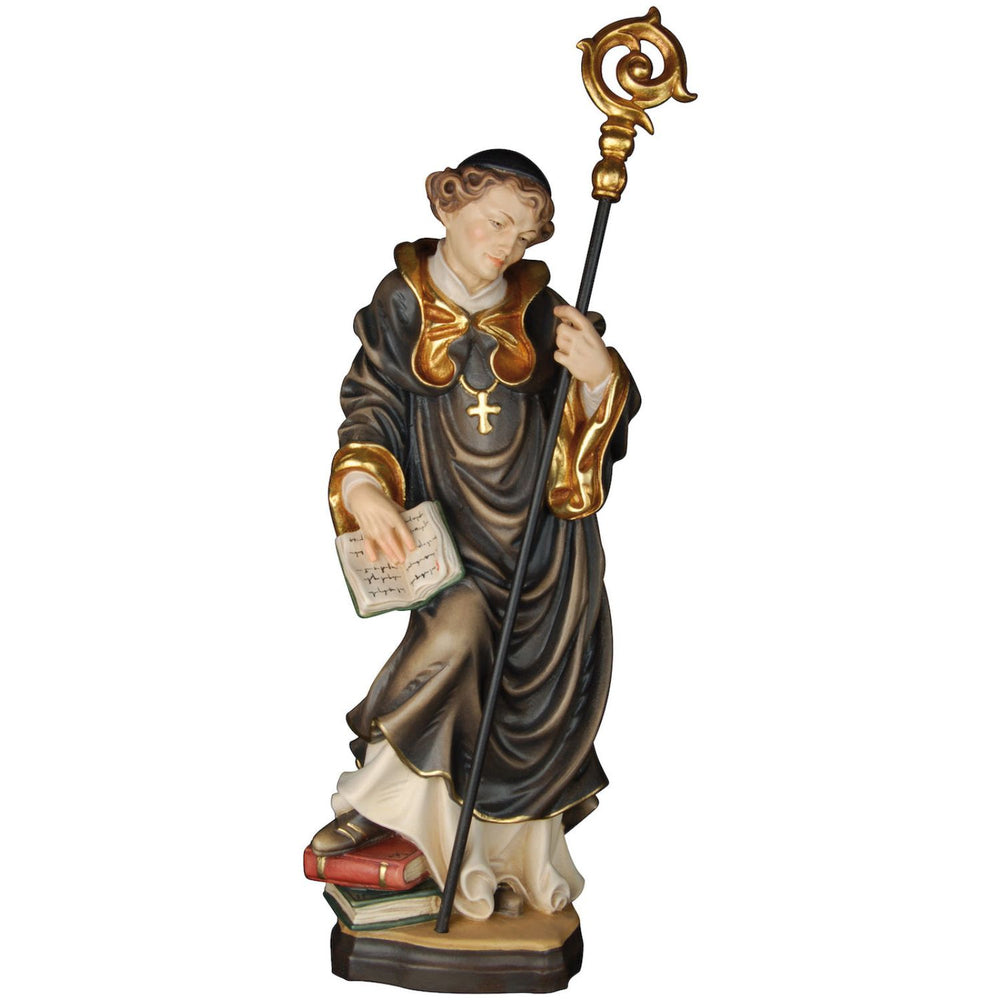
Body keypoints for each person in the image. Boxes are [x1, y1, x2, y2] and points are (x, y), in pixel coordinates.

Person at [311, 149, 640, 920]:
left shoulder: (540, 309)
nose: (506, 245)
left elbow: (588, 410)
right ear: (448, 204)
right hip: (454, 540)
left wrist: (599, 377)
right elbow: (371, 404)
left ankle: (495, 863)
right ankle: (377, 803)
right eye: (495, 222)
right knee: (455, 637)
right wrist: (364, 488)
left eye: (523, 235)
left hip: (541, 550)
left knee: (530, 705)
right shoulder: (402, 304)